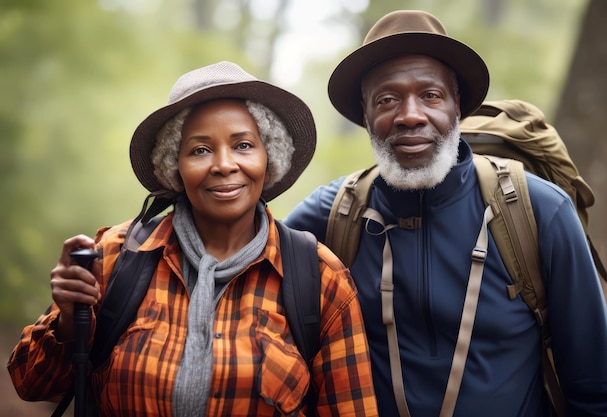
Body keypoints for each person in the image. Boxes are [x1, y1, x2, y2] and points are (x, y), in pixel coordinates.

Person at [284, 9, 607, 417]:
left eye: (430, 95)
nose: (410, 115)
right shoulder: (330, 216)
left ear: (457, 104)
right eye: (387, 99)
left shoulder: (540, 212)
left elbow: (598, 392)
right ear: (365, 113)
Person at [8, 61, 379, 417]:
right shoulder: (116, 256)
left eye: (243, 145)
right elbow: (30, 384)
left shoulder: (319, 277)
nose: (223, 164)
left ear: (270, 158)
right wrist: (70, 322)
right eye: (200, 150)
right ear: (174, 167)